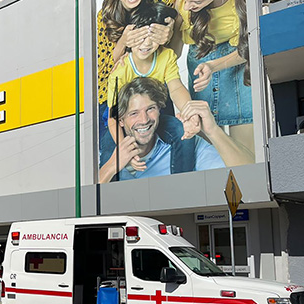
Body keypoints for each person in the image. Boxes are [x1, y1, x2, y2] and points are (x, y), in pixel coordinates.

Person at [99, 77, 253, 182]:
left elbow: (249, 177)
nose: (144, 120)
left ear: (159, 109)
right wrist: (112, 165)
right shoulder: (103, 153)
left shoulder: (184, 142)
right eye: (134, 113)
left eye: (150, 109)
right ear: (120, 121)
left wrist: (212, 130)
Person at [106, 2, 200, 151]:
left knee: (181, 133)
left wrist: (190, 113)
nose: (147, 44)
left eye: (153, 37)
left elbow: (176, 88)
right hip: (123, 117)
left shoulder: (166, 56)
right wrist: (123, 147)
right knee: (109, 149)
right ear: (130, 37)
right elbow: (113, 116)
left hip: (155, 111)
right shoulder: (121, 69)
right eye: (141, 38)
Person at [97, 0, 178, 166]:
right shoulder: (104, 17)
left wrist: (171, 30)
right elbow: (103, 71)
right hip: (114, 94)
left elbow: (171, 53)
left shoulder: (160, 4)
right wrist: (124, 42)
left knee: (170, 140)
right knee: (111, 151)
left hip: (153, 90)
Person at [173, 0, 254, 157]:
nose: (188, 6)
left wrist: (213, 66)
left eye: (194, 1)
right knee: (209, 156)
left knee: (245, 153)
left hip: (237, 70)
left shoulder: (240, 4)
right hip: (201, 72)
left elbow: (250, 46)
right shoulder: (182, 5)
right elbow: (172, 53)